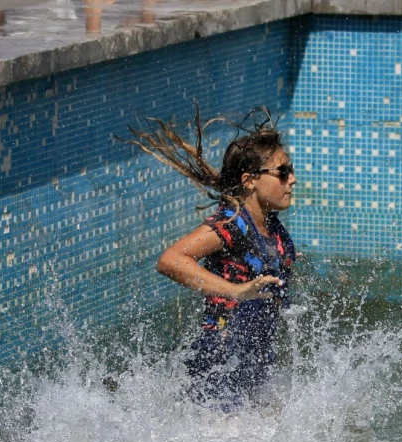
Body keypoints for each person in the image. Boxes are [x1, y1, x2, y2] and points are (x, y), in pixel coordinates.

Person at [124, 109, 297, 411]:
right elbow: (171, 260)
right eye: (282, 172)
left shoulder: (271, 227)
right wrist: (235, 291)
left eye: (291, 169)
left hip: (253, 361)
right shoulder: (232, 224)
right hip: (219, 364)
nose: (292, 179)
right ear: (250, 181)